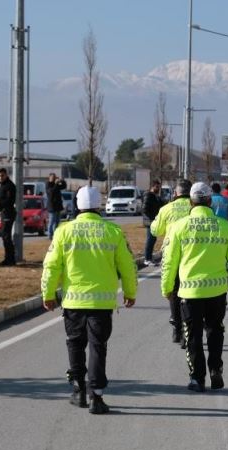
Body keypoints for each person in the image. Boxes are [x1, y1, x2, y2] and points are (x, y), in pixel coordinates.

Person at [41, 185, 137, 414]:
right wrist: (130, 293)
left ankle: (78, 390)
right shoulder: (113, 231)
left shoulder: (64, 231)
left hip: (74, 301)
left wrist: (48, 293)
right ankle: (97, 396)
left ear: (77, 206)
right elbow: (127, 266)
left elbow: (52, 266)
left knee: (75, 343)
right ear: (99, 206)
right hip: (102, 303)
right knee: (97, 347)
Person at [161, 182, 228, 392]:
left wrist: (166, 288)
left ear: (191, 202)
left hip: (189, 292)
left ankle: (196, 378)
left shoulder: (178, 227)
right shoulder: (224, 227)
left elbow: (169, 261)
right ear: (210, 201)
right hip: (217, 292)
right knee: (215, 331)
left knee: (193, 335)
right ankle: (216, 370)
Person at [151, 179, 193, 345]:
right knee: (189, 292)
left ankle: (177, 327)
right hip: (190, 254)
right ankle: (187, 327)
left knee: (173, 292)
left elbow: (156, 230)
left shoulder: (166, 209)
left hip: (170, 254)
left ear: (175, 193)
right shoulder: (194, 207)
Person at [0, 168, 16, 266]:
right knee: (4, 236)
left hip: (8, 213)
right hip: (3, 213)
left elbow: (10, 201)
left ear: (6, 175)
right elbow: (3, 198)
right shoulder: (3, 185)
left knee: (6, 236)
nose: (0, 177)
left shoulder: (9, 185)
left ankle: (10, 259)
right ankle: (8, 258)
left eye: (2, 175)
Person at [141, 179, 164, 266]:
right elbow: (144, 209)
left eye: (159, 187)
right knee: (150, 240)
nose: (158, 189)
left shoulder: (155, 196)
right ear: (152, 186)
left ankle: (149, 258)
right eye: (157, 187)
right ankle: (147, 259)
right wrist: (152, 218)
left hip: (154, 221)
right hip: (150, 221)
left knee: (153, 239)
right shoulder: (148, 195)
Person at [45, 172, 66, 239]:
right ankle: (50, 235)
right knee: (51, 221)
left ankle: (55, 234)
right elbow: (51, 192)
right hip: (52, 206)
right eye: (52, 177)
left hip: (58, 206)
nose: (54, 179)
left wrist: (62, 181)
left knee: (57, 221)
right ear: (49, 178)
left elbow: (63, 186)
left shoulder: (55, 184)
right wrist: (56, 184)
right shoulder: (48, 184)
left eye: (55, 177)